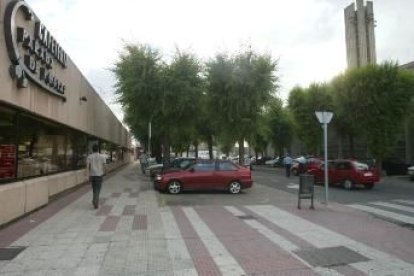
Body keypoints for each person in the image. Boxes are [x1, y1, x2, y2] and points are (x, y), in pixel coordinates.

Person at [86, 144, 106, 209]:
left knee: (94, 188)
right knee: (98, 189)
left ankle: (94, 199)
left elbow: (87, 167)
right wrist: (105, 172)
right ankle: (96, 202)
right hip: (99, 175)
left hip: (92, 175)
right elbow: (104, 166)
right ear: (98, 149)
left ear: (92, 149)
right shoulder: (102, 157)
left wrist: (87, 175)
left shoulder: (89, 157)